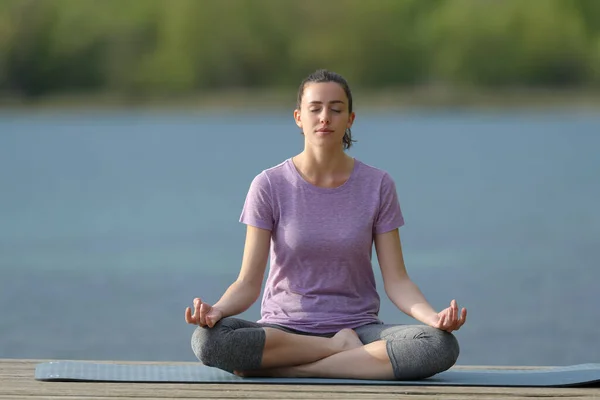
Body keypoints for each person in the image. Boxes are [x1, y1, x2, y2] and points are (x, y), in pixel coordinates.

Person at [185, 69, 467, 381]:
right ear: (298, 117)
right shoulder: (269, 184)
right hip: (286, 330)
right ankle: (339, 352)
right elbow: (247, 283)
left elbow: (398, 281)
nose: (325, 117)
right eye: (315, 108)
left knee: (438, 345)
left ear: (350, 119)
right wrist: (217, 311)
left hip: (359, 330)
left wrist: (434, 318)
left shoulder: (378, 185)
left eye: (336, 109)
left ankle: (291, 370)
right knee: (208, 341)